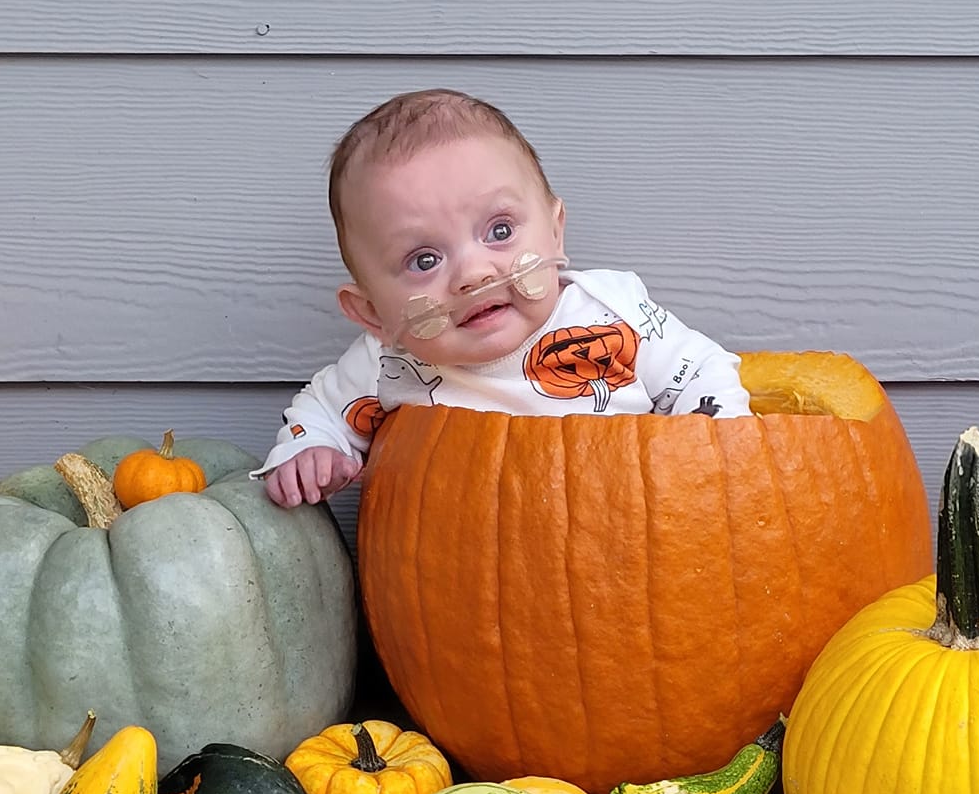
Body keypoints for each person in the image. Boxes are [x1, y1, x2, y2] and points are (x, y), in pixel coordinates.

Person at [258, 89, 750, 507]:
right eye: (424, 260)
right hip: (461, 580)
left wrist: (716, 460)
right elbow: (318, 414)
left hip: (626, 545)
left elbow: (701, 372)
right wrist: (310, 453)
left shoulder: (612, 316)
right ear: (373, 314)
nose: (474, 274)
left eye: (499, 231)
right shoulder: (389, 362)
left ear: (555, 234)